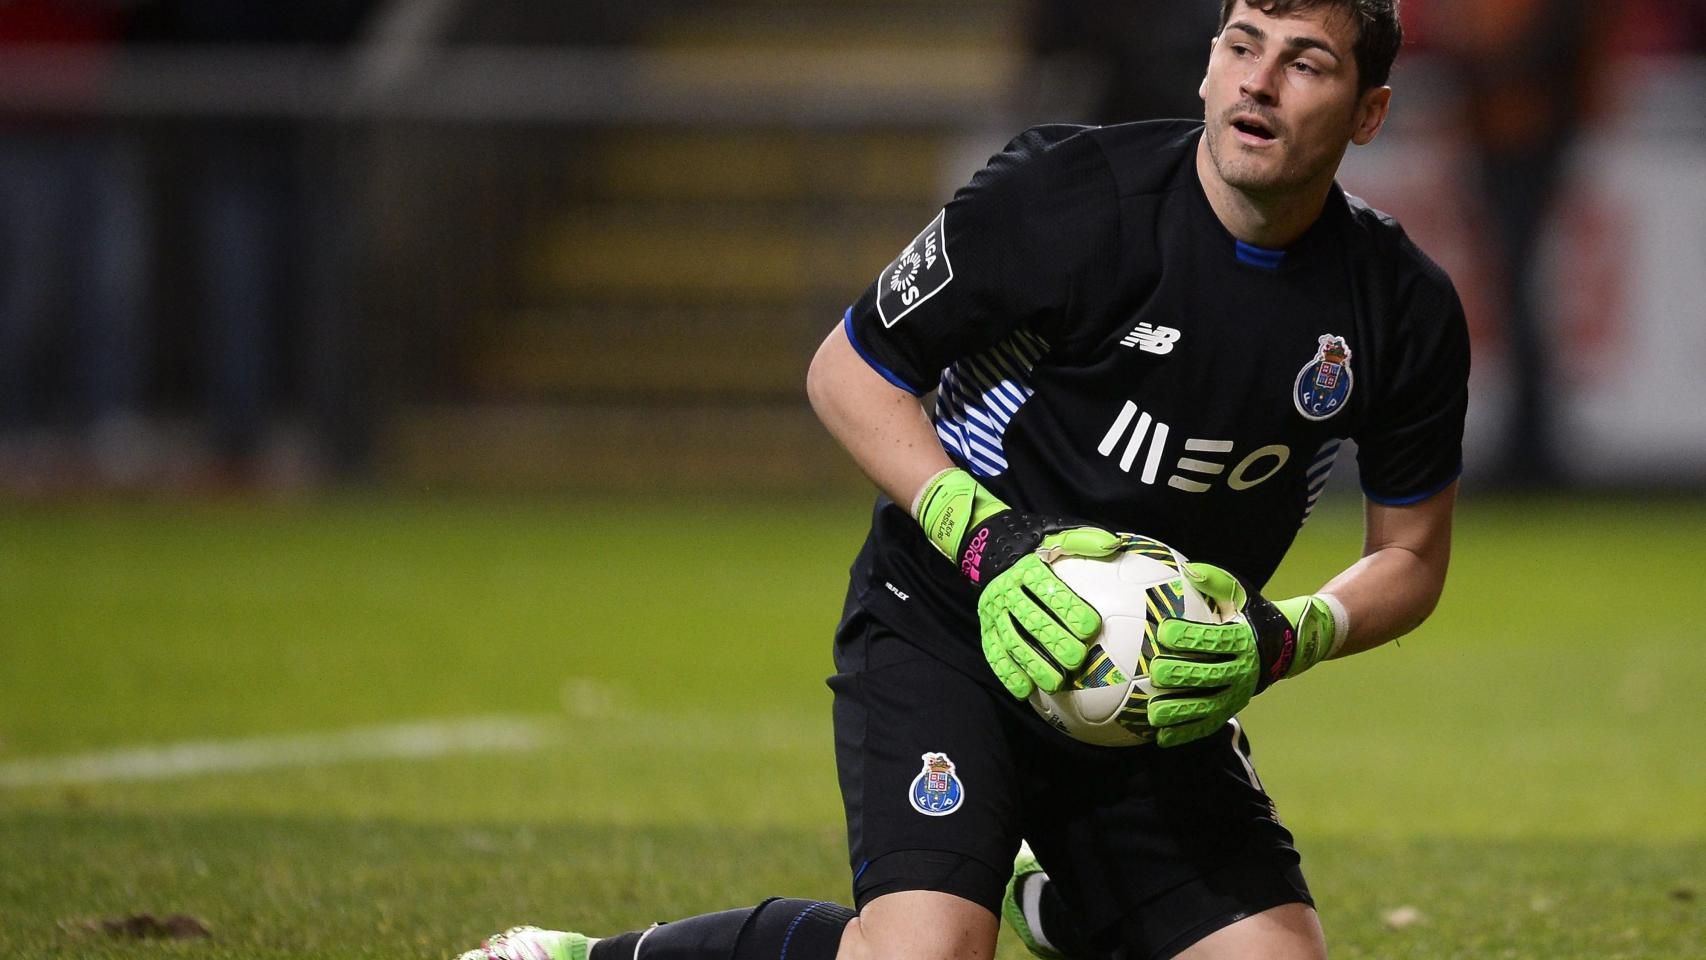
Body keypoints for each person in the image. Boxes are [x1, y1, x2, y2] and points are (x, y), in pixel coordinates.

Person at [456, 1, 1467, 958]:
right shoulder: (1067, 196)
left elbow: (1410, 555)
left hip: (1149, 688)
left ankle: (1065, 900)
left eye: (1305, 63)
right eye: (1241, 44)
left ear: (1367, 112)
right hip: (948, 623)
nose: (1260, 82)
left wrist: (1280, 635)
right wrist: (991, 543)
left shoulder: (1397, 307)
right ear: (1206, 63)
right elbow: (848, 369)